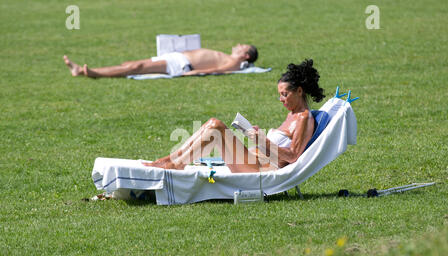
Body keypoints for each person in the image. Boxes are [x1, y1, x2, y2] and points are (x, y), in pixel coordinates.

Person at [143, 59, 326, 173]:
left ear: (299, 91)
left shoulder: (303, 118)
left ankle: (175, 164)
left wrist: (263, 141)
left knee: (216, 125)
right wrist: (256, 135)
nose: (281, 99)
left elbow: (294, 156)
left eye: (284, 94)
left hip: (258, 168)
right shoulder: (292, 115)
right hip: (252, 160)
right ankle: (170, 161)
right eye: (280, 94)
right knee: (212, 125)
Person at [63, 44, 258, 78]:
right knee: (131, 64)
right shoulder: (229, 55)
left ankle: (90, 72)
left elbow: (219, 70)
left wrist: (194, 72)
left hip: (180, 64)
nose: (239, 44)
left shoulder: (234, 63)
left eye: (243, 46)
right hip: (175, 57)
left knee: (135, 67)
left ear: (246, 55)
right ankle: (81, 70)